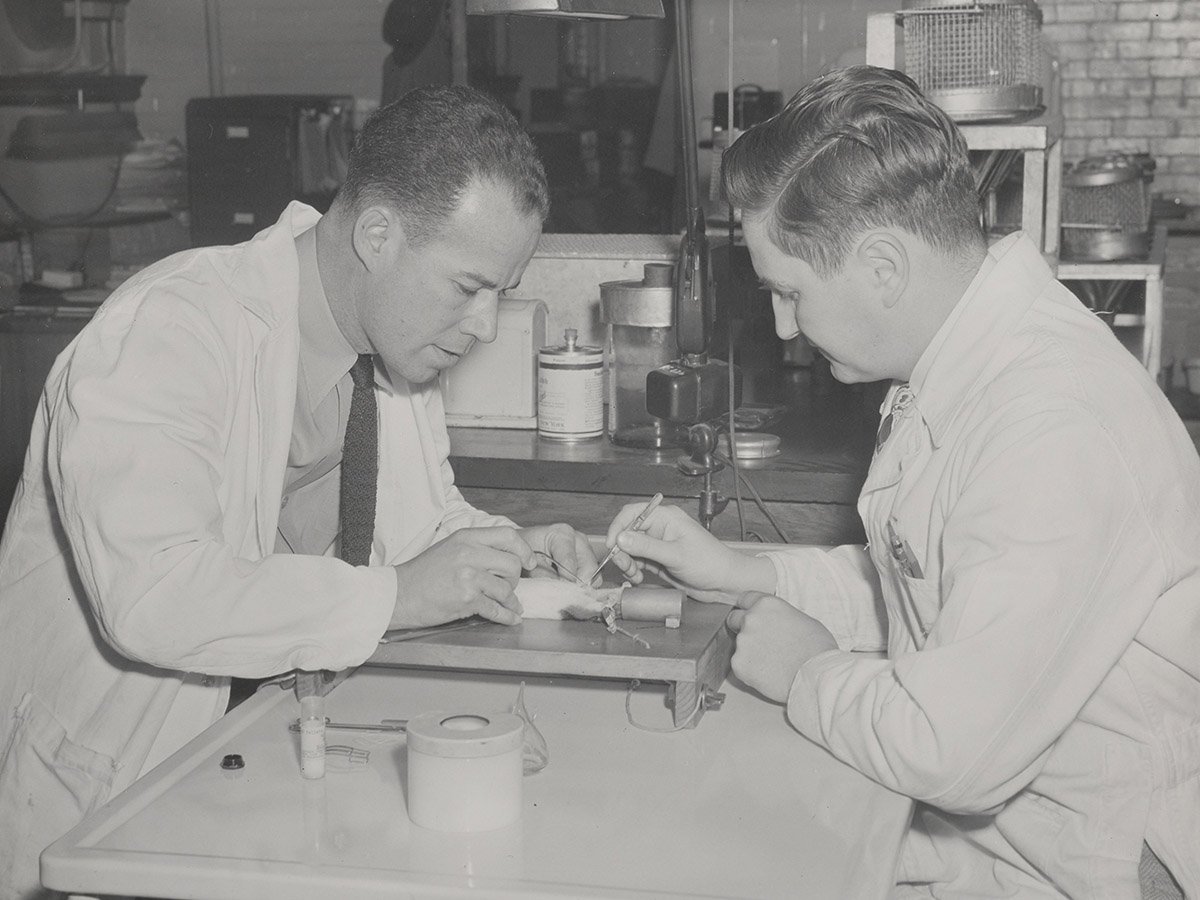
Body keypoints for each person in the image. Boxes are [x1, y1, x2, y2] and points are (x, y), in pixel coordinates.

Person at [0, 84, 608, 899]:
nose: (486, 326)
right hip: (109, 790)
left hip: (261, 766)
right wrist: (400, 595)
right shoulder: (167, 330)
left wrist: (504, 549)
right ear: (378, 235)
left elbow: (417, 527)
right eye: (469, 287)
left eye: (503, 289)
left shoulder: (393, 355)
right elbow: (156, 597)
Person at [605, 66, 1199, 898]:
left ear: (883, 265)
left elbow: (952, 749)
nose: (782, 328)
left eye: (789, 293)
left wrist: (808, 670)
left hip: (1096, 871)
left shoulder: (1053, 425)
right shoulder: (967, 367)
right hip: (1004, 837)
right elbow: (926, 579)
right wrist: (743, 572)